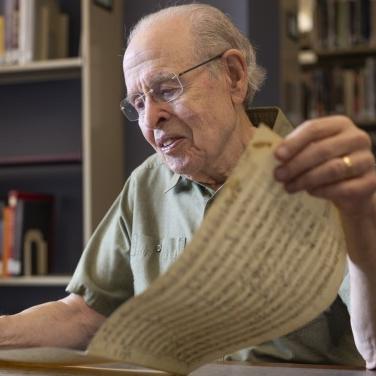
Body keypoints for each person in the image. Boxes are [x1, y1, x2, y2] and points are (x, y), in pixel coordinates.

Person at [1, 3, 376, 369]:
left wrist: (360, 220)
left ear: (233, 76)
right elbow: (83, 314)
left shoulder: (326, 178)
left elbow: (372, 346)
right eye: (138, 102)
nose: (152, 118)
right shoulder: (147, 183)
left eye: (166, 89)